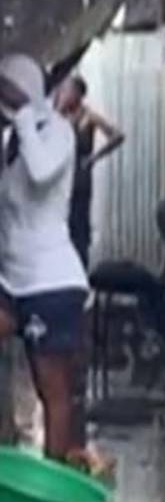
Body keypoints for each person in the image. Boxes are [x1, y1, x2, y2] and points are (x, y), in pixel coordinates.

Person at [0, 55, 88, 461]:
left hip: (51, 283)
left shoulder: (59, 133)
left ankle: (53, 484)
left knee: (51, 390)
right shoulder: (10, 144)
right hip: (12, 280)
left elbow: (39, 172)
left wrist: (23, 116)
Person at [56, 75, 124, 268]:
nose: (63, 93)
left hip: (80, 180)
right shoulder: (59, 115)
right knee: (61, 227)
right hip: (61, 180)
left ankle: (80, 273)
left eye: (67, 89)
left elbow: (118, 135)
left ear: (78, 93)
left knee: (79, 229)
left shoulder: (88, 116)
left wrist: (95, 158)